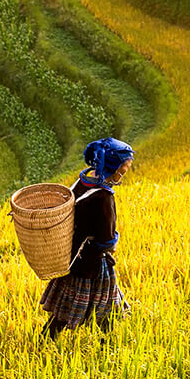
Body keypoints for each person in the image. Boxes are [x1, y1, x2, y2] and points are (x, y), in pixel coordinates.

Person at [41, 137, 133, 338]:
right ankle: (108, 347)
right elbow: (107, 239)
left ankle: (46, 338)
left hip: (72, 256)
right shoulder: (104, 198)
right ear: (112, 168)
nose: (123, 173)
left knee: (66, 307)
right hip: (93, 263)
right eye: (123, 169)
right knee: (106, 307)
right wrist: (113, 244)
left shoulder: (81, 182)